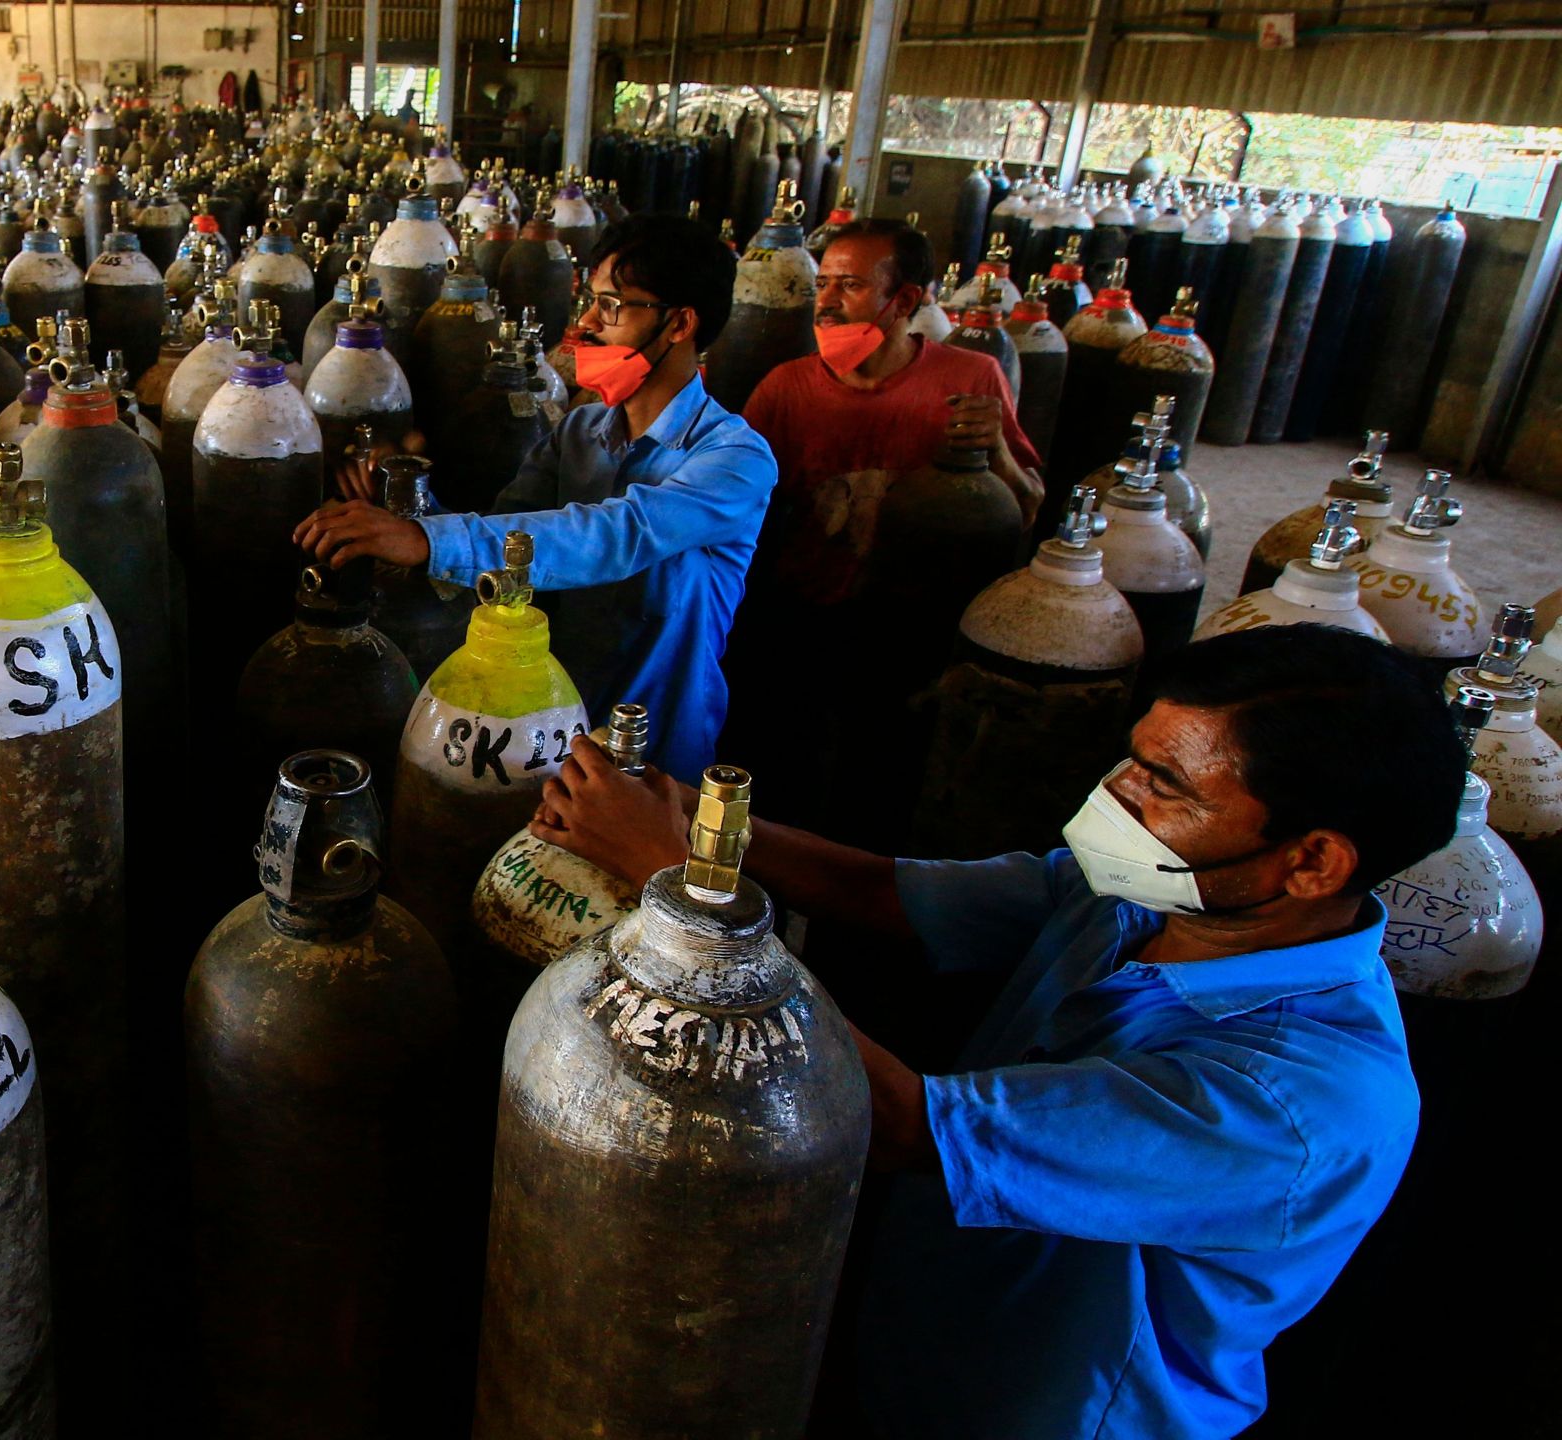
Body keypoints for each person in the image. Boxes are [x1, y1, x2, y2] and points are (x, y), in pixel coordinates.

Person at [531, 624, 1448, 1439]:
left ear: (1313, 861)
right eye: (1132, 758)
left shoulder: (1298, 1104)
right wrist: (693, 821)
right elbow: (883, 891)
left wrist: (677, 885)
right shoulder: (1140, 894)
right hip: (925, 1339)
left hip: (1045, 1409)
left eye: (1165, 784)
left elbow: (890, 1122)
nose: (1117, 795)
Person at [294, 214, 777, 782]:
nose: (590, 323)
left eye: (613, 305)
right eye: (590, 302)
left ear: (680, 323)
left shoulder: (734, 459)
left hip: (653, 754)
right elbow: (506, 545)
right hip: (545, 731)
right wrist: (404, 502)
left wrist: (425, 539)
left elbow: (615, 536)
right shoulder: (580, 432)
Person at [719, 216, 1045, 842]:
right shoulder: (787, 389)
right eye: (824, 284)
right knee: (780, 791)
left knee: (880, 794)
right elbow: (736, 514)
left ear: (905, 301)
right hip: (800, 620)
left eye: (851, 285)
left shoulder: (970, 381)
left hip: (913, 633)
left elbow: (1027, 508)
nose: (828, 302)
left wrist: (997, 452)